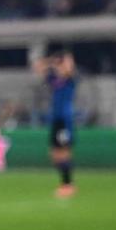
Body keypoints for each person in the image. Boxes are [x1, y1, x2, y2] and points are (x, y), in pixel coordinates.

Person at [33, 49, 77, 197]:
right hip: (56, 120)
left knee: (64, 151)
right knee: (54, 154)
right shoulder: (54, 79)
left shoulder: (70, 80)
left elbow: (69, 68)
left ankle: (68, 185)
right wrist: (51, 61)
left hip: (65, 120)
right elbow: (37, 67)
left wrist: (64, 61)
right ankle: (65, 182)